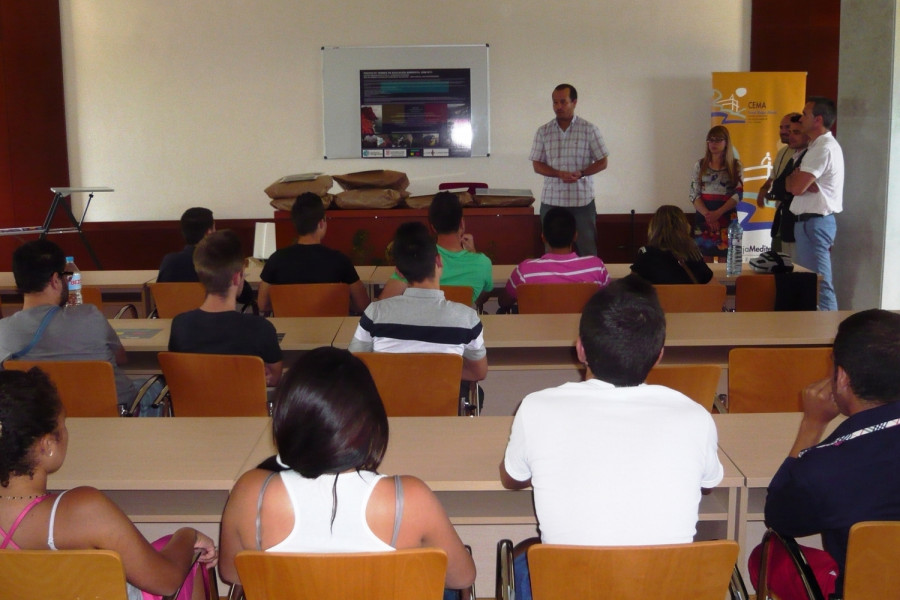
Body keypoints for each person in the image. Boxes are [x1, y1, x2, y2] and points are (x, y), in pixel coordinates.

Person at [500, 275, 723, 600]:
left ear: (580, 349)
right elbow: (709, 483)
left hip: (571, 589)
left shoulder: (536, 407)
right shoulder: (696, 416)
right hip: (663, 590)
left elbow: (513, 479)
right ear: (659, 355)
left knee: (522, 558)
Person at [218, 347, 476, 594]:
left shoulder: (251, 491)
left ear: (286, 418)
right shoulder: (409, 498)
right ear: (372, 422)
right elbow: (462, 577)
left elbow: (232, 573)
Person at [0, 368, 217, 599]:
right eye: (63, 424)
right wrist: (187, 534)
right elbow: (166, 582)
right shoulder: (84, 509)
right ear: (47, 445)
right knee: (186, 554)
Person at [764, 309, 900, 596]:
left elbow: (780, 517)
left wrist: (812, 425)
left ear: (841, 378)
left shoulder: (826, 467)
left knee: (767, 556)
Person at [0, 240, 147, 413]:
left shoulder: (3, 331)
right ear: (55, 280)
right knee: (151, 383)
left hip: (46, 418)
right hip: (114, 413)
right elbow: (121, 358)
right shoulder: (90, 316)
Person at [349, 222, 488, 384]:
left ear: (399, 272)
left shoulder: (374, 313)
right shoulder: (467, 319)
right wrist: (438, 371)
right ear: (439, 261)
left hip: (390, 407)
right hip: (442, 407)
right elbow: (479, 372)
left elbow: (355, 365)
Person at [168, 230, 283, 386]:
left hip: (197, 409)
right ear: (237, 277)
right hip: (246, 409)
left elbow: (181, 375)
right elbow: (274, 379)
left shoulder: (180, 325)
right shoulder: (261, 328)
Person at [530, 83, 609, 257]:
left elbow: (603, 161)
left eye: (563, 102)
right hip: (552, 202)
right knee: (551, 252)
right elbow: (537, 165)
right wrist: (557, 173)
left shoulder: (589, 130)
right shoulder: (543, 132)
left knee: (587, 250)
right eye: (555, 103)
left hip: (582, 202)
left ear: (574, 102)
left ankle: (589, 283)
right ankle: (553, 284)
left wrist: (582, 173)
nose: (558, 107)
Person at [258, 192, 369, 315]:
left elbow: (262, 304)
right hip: (331, 332)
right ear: (321, 223)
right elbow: (362, 305)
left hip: (291, 332)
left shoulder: (276, 259)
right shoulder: (340, 260)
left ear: (295, 224)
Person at [379, 192, 493, 307]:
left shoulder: (417, 257)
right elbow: (483, 297)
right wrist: (473, 254)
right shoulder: (482, 263)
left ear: (432, 227)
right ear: (462, 223)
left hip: (423, 323)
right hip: (461, 323)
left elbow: (383, 303)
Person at [786, 96, 844, 311]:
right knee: (809, 284)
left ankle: (828, 336)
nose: (800, 119)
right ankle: (814, 331)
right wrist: (796, 179)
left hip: (816, 222)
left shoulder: (823, 148)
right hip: (808, 223)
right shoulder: (814, 146)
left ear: (818, 119)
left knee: (820, 283)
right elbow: (789, 183)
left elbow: (796, 187)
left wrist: (796, 180)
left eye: (805, 114)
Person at [499, 207, 609, 310]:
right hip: (580, 329)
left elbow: (504, 302)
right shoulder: (596, 267)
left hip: (535, 329)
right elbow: (609, 301)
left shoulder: (525, 271)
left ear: (543, 237)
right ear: (575, 235)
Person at [157, 207, 253, 306]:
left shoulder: (169, 261)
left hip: (172, 319)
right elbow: (246, 296)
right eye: (214, 228)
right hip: (213, 319)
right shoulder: (219, 260)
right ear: (209, 233)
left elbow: (159, 295)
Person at [689, 125, 744, 259]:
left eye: (718, 140)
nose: (713, 143)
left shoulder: (735, 165)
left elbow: (738, 194)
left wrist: (718, 213)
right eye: (710, 140)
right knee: (704, 257)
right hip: (704, 214)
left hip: (726, 214)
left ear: (726, 142)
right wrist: (709, 215)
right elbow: (694, 194)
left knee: (726, 258)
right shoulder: (700, 165)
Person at [631, 205, 714, 284]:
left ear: (654, 227)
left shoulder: (647, 254)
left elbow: (632, 285)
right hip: (688, 298)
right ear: (684, 226)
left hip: (657, 298)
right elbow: (711, 283)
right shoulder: (692, 253)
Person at [757, 113, 803, 253]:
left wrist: (784, 186)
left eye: (788, 128)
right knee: (776, 260)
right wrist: (764, 189)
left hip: (797, 219)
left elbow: (792, 186)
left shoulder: (804, 153)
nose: (783, 131)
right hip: (781, 216)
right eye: (781, 127)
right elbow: (773, 178)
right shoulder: (782, 152)